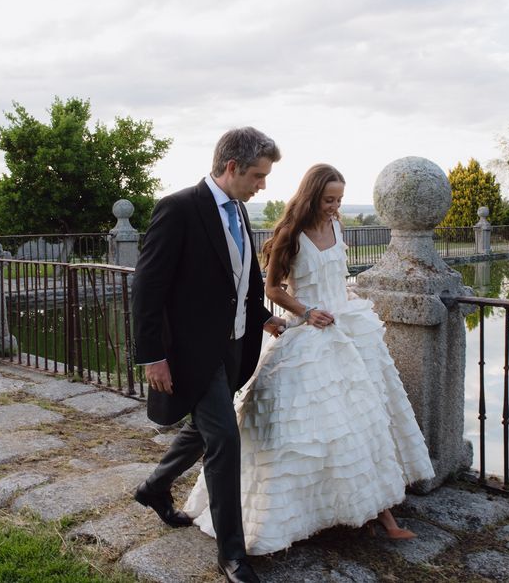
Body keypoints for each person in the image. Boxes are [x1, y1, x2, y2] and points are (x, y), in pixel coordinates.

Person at [184, 163, 436, 555]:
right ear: (311, 195)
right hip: (310, 333)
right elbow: (272, 288)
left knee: (365, 425)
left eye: (339, 200)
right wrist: (306, 311)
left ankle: (381, 516)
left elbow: (339, 277)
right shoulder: (290, 235)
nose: (335, 207)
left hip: (350, 332)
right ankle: (295, 517)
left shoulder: (337, 228)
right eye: (329, 200)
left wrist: (345, 303)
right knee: (304, 432)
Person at [132, 127, 286, 583]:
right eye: (258, 175)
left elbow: (238, 282)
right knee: (224, 440)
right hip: (192, 352)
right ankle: (232, 556)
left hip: (233, 346)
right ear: (232, 167)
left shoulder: (239, 211)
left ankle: (154, 488)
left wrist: (263, 317)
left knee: (203, 430)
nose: (263, 185)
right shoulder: (178, 209)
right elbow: (148, 289)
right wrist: (152, 355)